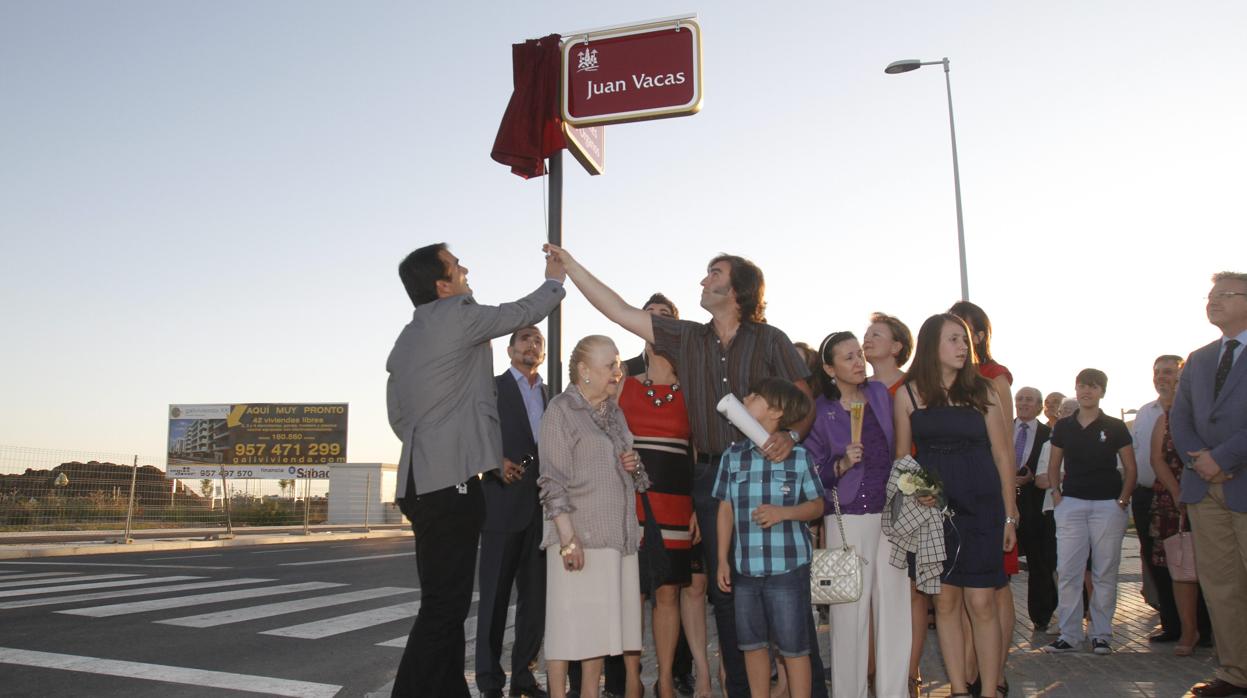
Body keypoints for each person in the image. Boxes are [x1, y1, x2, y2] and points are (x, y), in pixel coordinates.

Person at [542, 244, 825, 698]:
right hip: (712, 479)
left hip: (768, 476)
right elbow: (618, 310)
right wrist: (571, 267)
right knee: (727, 592)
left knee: (787, 588)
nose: (702, 280)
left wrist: (789, 438)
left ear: (737, 290)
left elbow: (804, 400)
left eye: (713, 273)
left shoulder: (771, 339)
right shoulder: (687, 337)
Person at [387, 243, 565, 698]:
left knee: (442, 601)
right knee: (444, 609)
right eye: (456, 265)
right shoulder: (458, 314)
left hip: (417, 479)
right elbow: (521, 311)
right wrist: (554, 280)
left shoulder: (409, 337)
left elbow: (398, 417)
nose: (466, 268)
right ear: (442, 286)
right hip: (451, 483)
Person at [893, 313, 1018, 698]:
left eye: (965, 340)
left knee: (982, 601)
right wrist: (916, 492)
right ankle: (959, 690)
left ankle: (990, 690)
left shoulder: (984, 391)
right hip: (933, 513)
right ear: (932, 345)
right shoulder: (908, 393)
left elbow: (1002, 454)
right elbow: (903, 461)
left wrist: (1010, 515)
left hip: (983, 508)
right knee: (944, 602)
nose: (964, 347)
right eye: (954, 340)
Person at [538, 335, 648, 698]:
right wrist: (568, 539)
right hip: (577, 538)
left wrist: (633, 467)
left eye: (618, 364)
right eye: (610, 365)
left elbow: (639, 480)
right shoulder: (561, 409)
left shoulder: (614, 414)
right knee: (567, 628)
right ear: (584, 372)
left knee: (598, 632)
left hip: (614, 540)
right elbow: (551, 479)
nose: (619, 371)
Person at [804, 332, 909, 698]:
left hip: (890, 513)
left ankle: (893, 691)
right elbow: (812, 471)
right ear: (830, 368)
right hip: (846, 516)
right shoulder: (819, 410)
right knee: (849, 615)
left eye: (858, 354)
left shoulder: (880, 394)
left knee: (895, 609)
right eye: (847, 357)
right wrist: (841, 463)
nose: (857, 361)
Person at [617, 294, 710, 698]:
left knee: (669, 591)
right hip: (631, 503)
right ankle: (633, 677)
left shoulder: (694, 387)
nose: (655, 325)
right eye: (647, 317)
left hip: (677, 503)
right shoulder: (620, 383)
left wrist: (695, 506)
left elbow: (697, 450)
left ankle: (667, 679)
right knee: (633, 592)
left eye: (665, 318)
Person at [713, 378, 824, 698]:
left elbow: (817, 505)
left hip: (788, 568)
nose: (745, 397)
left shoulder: (799, 457)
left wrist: (783, 513)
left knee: (794, 647)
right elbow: (725, 508)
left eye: (755, 395)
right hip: (746, 568)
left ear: (776, 411)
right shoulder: (733, 456)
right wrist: (722, 558)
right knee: (752, 645)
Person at [1171, 271, 1247, 697]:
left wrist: (1224, 457)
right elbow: (1179, 419)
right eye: (1211, 295)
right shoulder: (1198, 359)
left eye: (1225, 295)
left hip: (1241, 479)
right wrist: (1202, 460)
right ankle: (1236, 673)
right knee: (1221, 585)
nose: (1214, 301)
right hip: (1205, 489)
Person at [476, 326, 552, 698]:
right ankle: (490, 681)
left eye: (538, 340)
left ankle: (524, 675)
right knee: (493, 600)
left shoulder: (553, 396)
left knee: (535, 603)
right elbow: (472, 432)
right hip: (501, 507)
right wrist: (493, 463)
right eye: (525, 338)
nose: (532, 344)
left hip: (543, 512)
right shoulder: (490, 388)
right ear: (510, 350)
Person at [1042, 369, 1138, 656]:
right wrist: (1057, 495)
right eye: (1082, 386)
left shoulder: (1115, 426)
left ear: (1102, 392)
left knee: (1104, 571)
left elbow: (1131, 468)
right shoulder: (1064, 426)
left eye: (1093, 387)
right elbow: (1053, 465)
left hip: (1108, 505)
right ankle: (1070, 635)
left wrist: (1122, 501)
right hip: (1071, 504)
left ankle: (1101, 634)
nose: (1086, 391)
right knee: (1069, 571)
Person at [948, 301, 1015, 696]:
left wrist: (1007, 508)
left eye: (967, 331)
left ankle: (997, 673)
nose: (961, 340)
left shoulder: (994, 377)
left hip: (989, 499)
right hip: (954, 502)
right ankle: (970, 673)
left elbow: (1002, 445)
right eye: (952, 332)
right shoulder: (942, 382)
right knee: (960, 595)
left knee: (997, 587)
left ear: (980, 335)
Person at [1132, 355, 1211, 647]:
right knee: (1165, 566)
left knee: (1202, 564)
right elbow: (1153, 458)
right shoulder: (1146, 413)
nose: (1162, 378)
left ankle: (1206, 628)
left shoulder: (1199, 411)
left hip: (1200, 495)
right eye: (1158, 373)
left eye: (1169, 372)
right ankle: (1174, 625)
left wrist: (1185, 493)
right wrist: (1175, 493)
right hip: (1158, 497)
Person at [1149, 367, 1206, 656]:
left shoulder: (1208, 416)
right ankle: (1188, 630)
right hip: (1175, 504)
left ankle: (1221, 633)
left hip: (1212, 498)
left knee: (1217, 569)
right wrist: (1178, 492)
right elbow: (1157, 458)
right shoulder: (1165, 419)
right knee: (1182, 570)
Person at [1012, 387, 1055, 634]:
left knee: (1039, 562)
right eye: (1020, 399)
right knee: (1002, 562)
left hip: (1035, 506)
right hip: (1004, 503)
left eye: (1029, 400)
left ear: (1039, 406)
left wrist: (1030, 479)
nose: (1023, 403)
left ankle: (1041, 615)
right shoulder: (1001, 427)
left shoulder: (1049, 434)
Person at [864, 312, 913, 396]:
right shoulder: (858, 388)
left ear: (896, 347)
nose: (867, 340)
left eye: (875, 335)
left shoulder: (912, 386)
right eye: (865, 336)